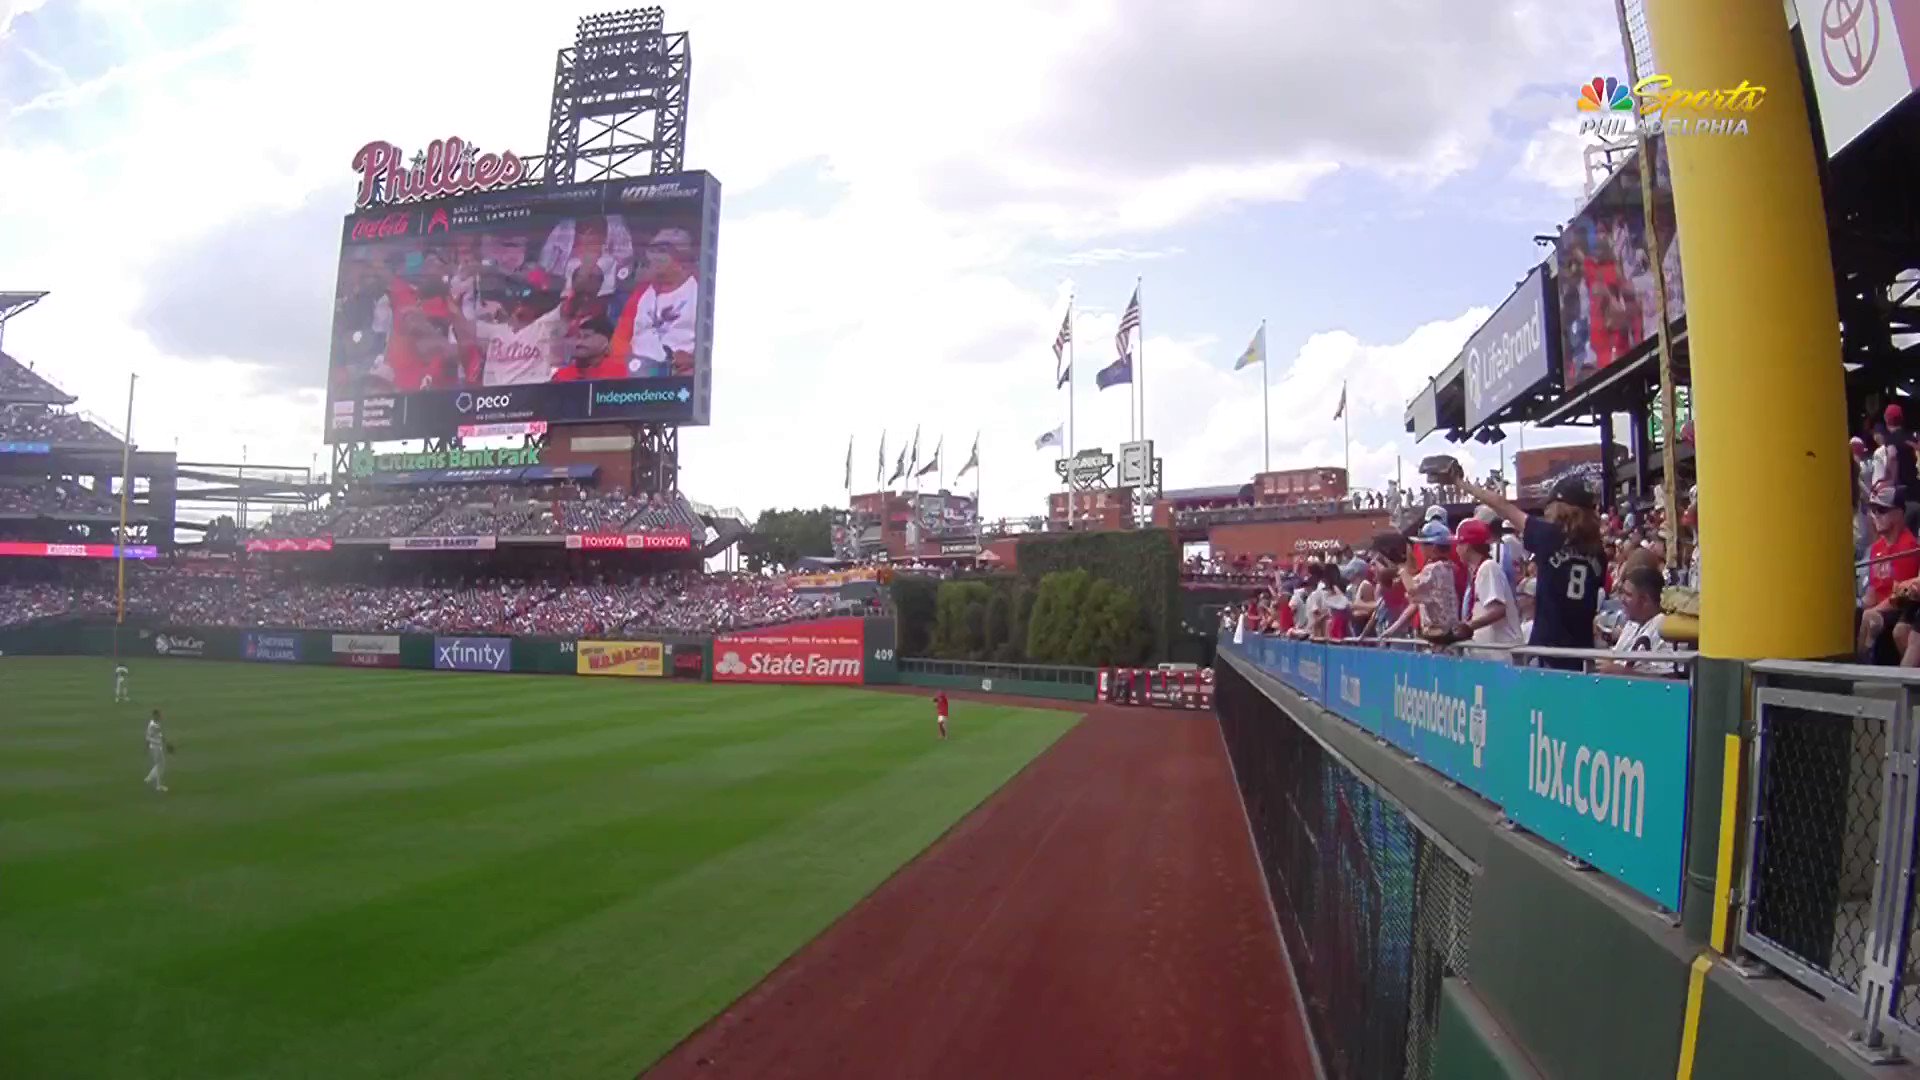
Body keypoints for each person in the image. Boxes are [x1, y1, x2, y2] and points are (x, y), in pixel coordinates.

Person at [1456, 468, 1607, 661]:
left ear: (1562, 507)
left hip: (1548, 651)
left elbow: (1502, 506)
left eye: (1551, 505)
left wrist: (1460, 482)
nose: (1547, 511)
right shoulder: (1598, 552)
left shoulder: (1548, 535)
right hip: (1582, 654)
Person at [609, 227, 700, 378]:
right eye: (653, 250)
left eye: (663, 251)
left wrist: (695, 359)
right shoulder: (641, 293)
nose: (655, 257)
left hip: (683, 373)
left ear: (682, 257)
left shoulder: (700, 287)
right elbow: (618, 342)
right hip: (639, 372)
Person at [1860, 489, 1920, 661]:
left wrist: (1872, 610)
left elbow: (1900, 596)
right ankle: (1856, 666)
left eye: (1882, 510)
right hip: (1882, 605)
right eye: (1873, 511)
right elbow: (1871, 591)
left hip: (1899, 605)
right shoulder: (1876, 548)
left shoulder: (1909, 547)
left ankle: (1861, 669)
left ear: (1899, 514)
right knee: (1856, 612)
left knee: (1872, 618)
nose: (1875, 515)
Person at [1455, 517, 1524, 650]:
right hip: (1489, 652)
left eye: (1459, 544)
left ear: (1467, 546)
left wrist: (1468, 626)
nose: (1456, 549)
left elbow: (1498, 610)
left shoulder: (1488, 567)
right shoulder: (1478, 570)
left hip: (1500, 653)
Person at [1384, 521, 1459, 641]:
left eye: (1423, 544)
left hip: (1439, 636)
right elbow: (1417, 601)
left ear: (1433, 547)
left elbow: (1412, 590)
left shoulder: (1433, 568)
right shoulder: (1448, 567)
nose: (1420, 548)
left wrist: (1402, 570)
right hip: (1446, 633)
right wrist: (1395, 627)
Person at [1599, 565, 1678, 676]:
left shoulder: (1665, 628)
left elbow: (1669, 679)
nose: (1622, 599)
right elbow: (1613, 658)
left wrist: (1623, 672)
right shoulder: (1631, 624)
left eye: (1628, 595)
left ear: (1645, 600)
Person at [144, 709, 170, 793]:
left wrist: (166, 743)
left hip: (158, 747)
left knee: (160, 764)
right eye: (159, 715)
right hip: (155, 748)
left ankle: (149, 777)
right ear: (155, 716)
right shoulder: (153, 726)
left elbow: (159, 735)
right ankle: (158, 786)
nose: (161, 716)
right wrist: (147, 747)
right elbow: (148, 737)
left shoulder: (156, 723)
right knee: (160, 765)